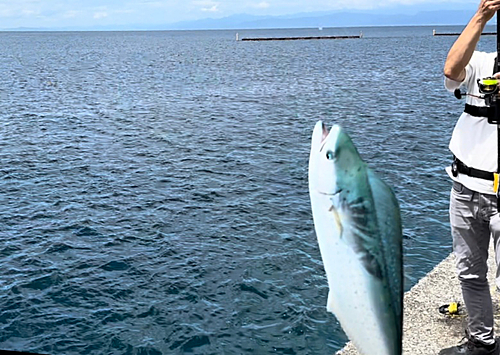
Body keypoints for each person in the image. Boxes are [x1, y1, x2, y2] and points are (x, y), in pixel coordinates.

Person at [441, 1, 500, 354]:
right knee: (470, 273)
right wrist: (480, 17)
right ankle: (482, 342)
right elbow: (451, 69)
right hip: (465, 189)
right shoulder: (482, 63)